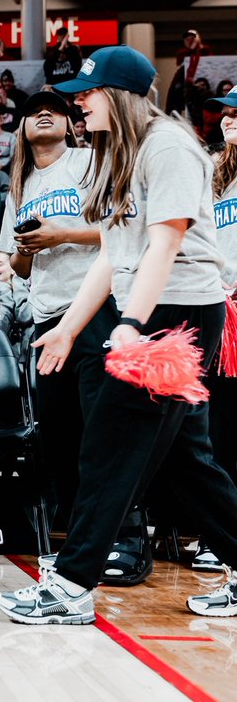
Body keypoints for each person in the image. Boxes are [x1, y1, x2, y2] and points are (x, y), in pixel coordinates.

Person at [0, 46, 237, 624]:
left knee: (108, 446)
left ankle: (71, 587)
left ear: (125, 95)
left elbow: (164, 243)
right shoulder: (113, 152)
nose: (79, 101)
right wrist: (69, 328)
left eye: (88, 91)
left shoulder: (171, 147)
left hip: (176, 316)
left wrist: (131, 324)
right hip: (152, 313)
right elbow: (115, 250)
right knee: (186, 464)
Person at [0, 91, 105, 532]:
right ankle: (77, 532)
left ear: (70, 123)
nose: (45, 112)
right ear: (21, 128)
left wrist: (61, 236)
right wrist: (27, 248)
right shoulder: (19, 187)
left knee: (100, 430)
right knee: (60, 434)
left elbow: (119, 233)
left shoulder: (89, 162)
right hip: (46, 317)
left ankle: (117, 532)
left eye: (57, 109)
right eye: (35, 110)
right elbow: (19, 267)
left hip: (96, 306)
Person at [196, 85, 237, 570]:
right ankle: (220, 534)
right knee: (218, 426)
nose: (228, 118)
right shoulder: (212, 174)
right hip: (219, 309)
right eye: (225, 113)